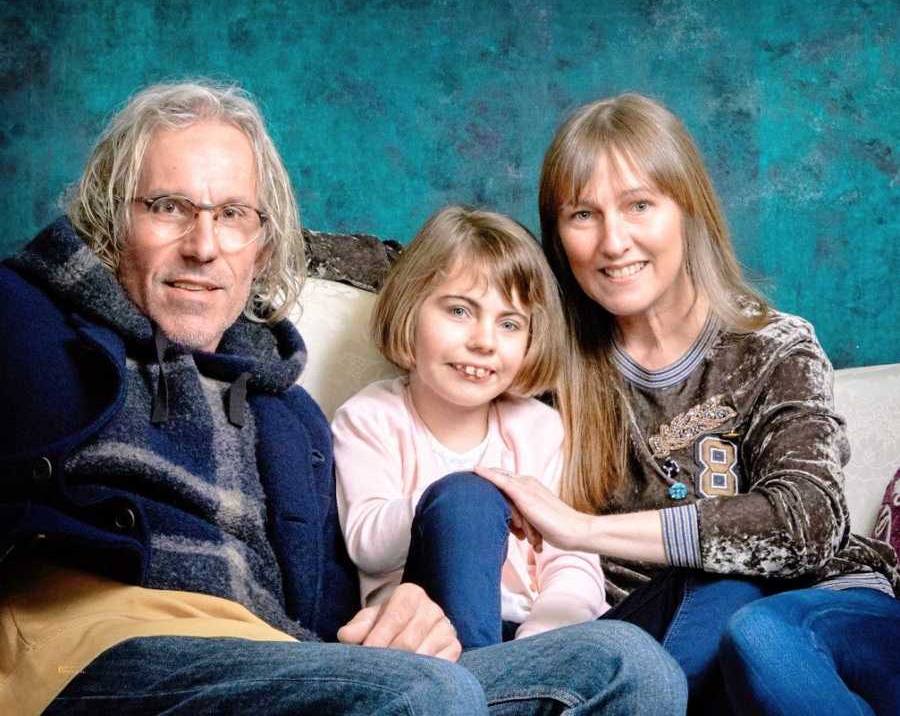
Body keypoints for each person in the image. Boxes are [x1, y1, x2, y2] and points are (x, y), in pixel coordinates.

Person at [0, 81, 688, 715]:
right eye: (167, 207)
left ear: (262, 241)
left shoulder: (289, 415)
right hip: (97, 650)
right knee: (429, 695)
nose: (204, 246)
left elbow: (338, 620)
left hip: (274, 661)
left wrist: (405, 608)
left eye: (233, 214)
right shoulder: (32, 324)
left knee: (630, 666)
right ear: (110, 218)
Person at [477, 92, 900, 716]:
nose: (613, 241)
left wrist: (586, 530)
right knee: (686, 622)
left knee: (750, 625)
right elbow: (442, 270)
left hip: (819, 610)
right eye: (583, 215)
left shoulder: (772, 348)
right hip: (660, 629)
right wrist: (279, 241)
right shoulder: (550, 362)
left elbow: (807, 521)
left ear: (688, 210)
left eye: (639, 205)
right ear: (557, 237)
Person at [333, 205, 607, 648]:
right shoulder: (370, 417)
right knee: (467, 500)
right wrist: (466, 491)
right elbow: (366, 541)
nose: (483, 341)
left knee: (707, 595)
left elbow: (572, 564)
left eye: (509, 323)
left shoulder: (539, 428)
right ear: (410, 310)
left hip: (532, 637)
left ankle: (506, 678)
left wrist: (538, 645)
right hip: (429, 636)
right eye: (460, 311)